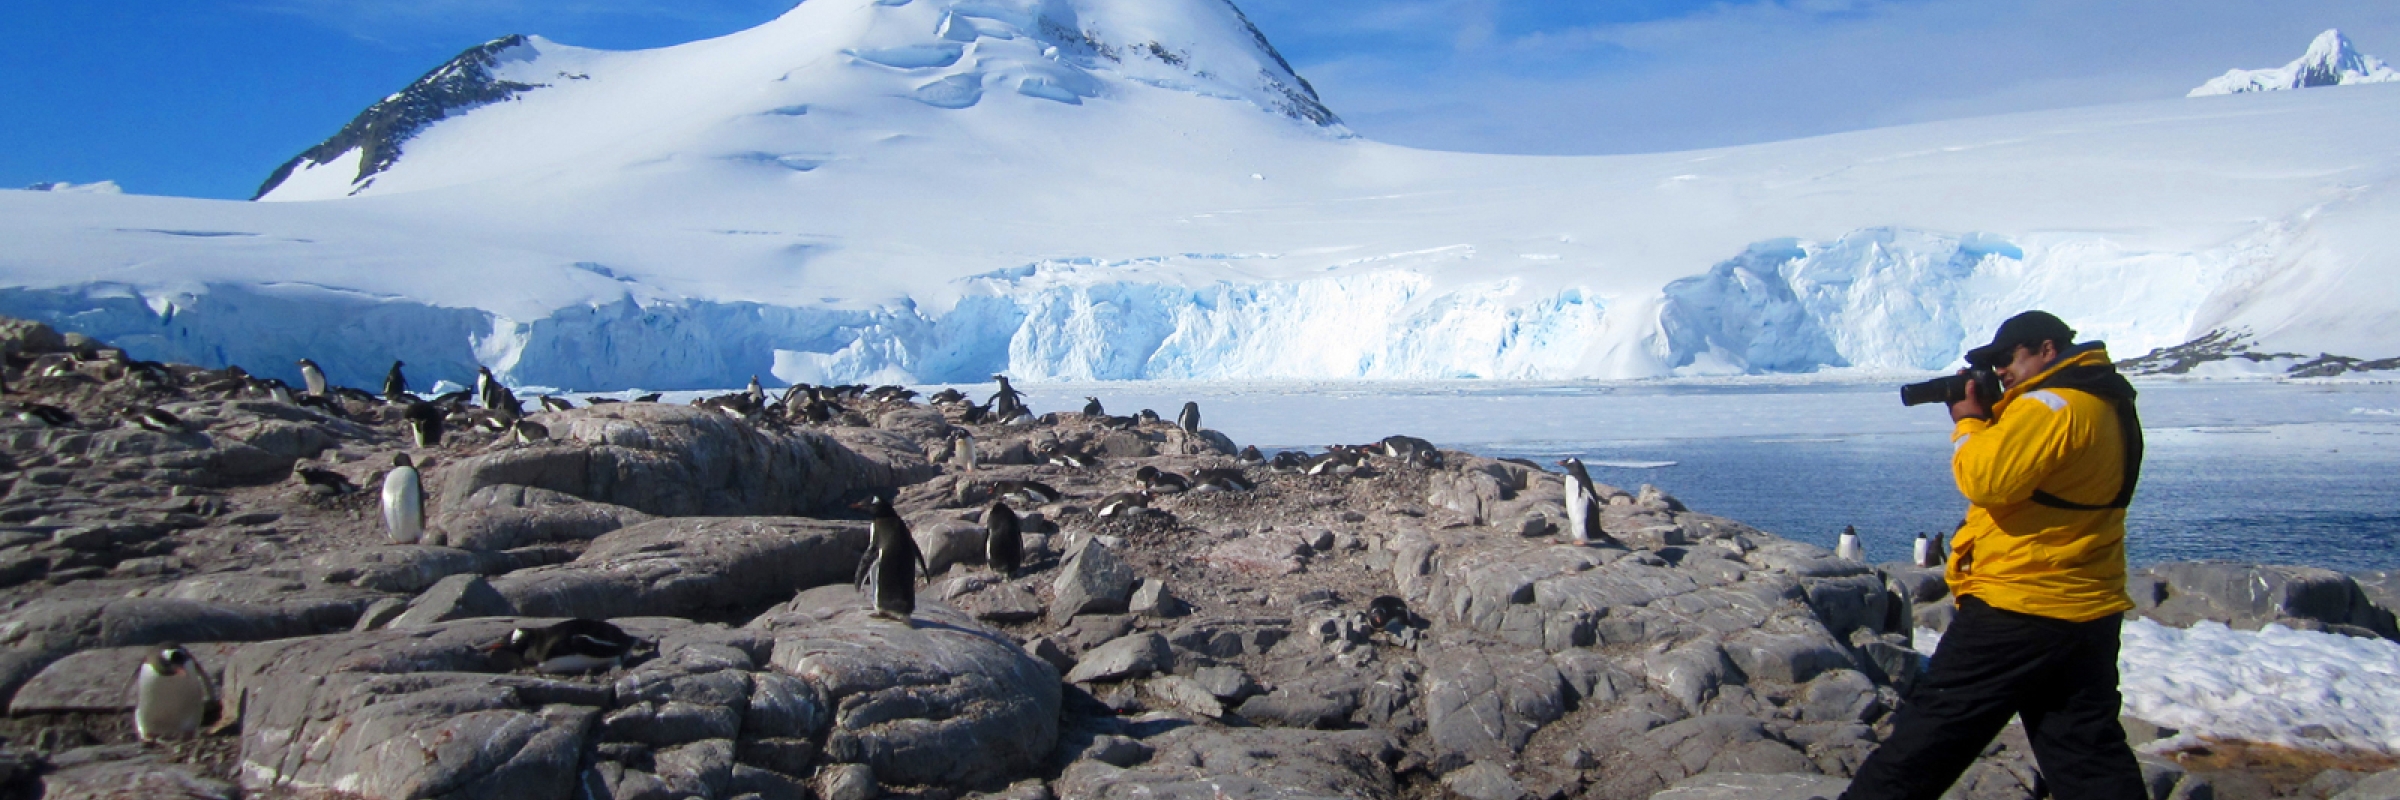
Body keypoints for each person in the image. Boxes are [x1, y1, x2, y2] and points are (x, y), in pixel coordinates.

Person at [1839, 311, 2147, 800]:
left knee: (1931, 732)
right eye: (1994, 362)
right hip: (2087, 604)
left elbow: (1986, 479)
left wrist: (1968, 422)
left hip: (2020, 604)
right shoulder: (2101, 399)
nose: (2001, 370)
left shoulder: (2050, 405)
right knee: (2084, 749)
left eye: (2008, 357)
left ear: (2047, 350)